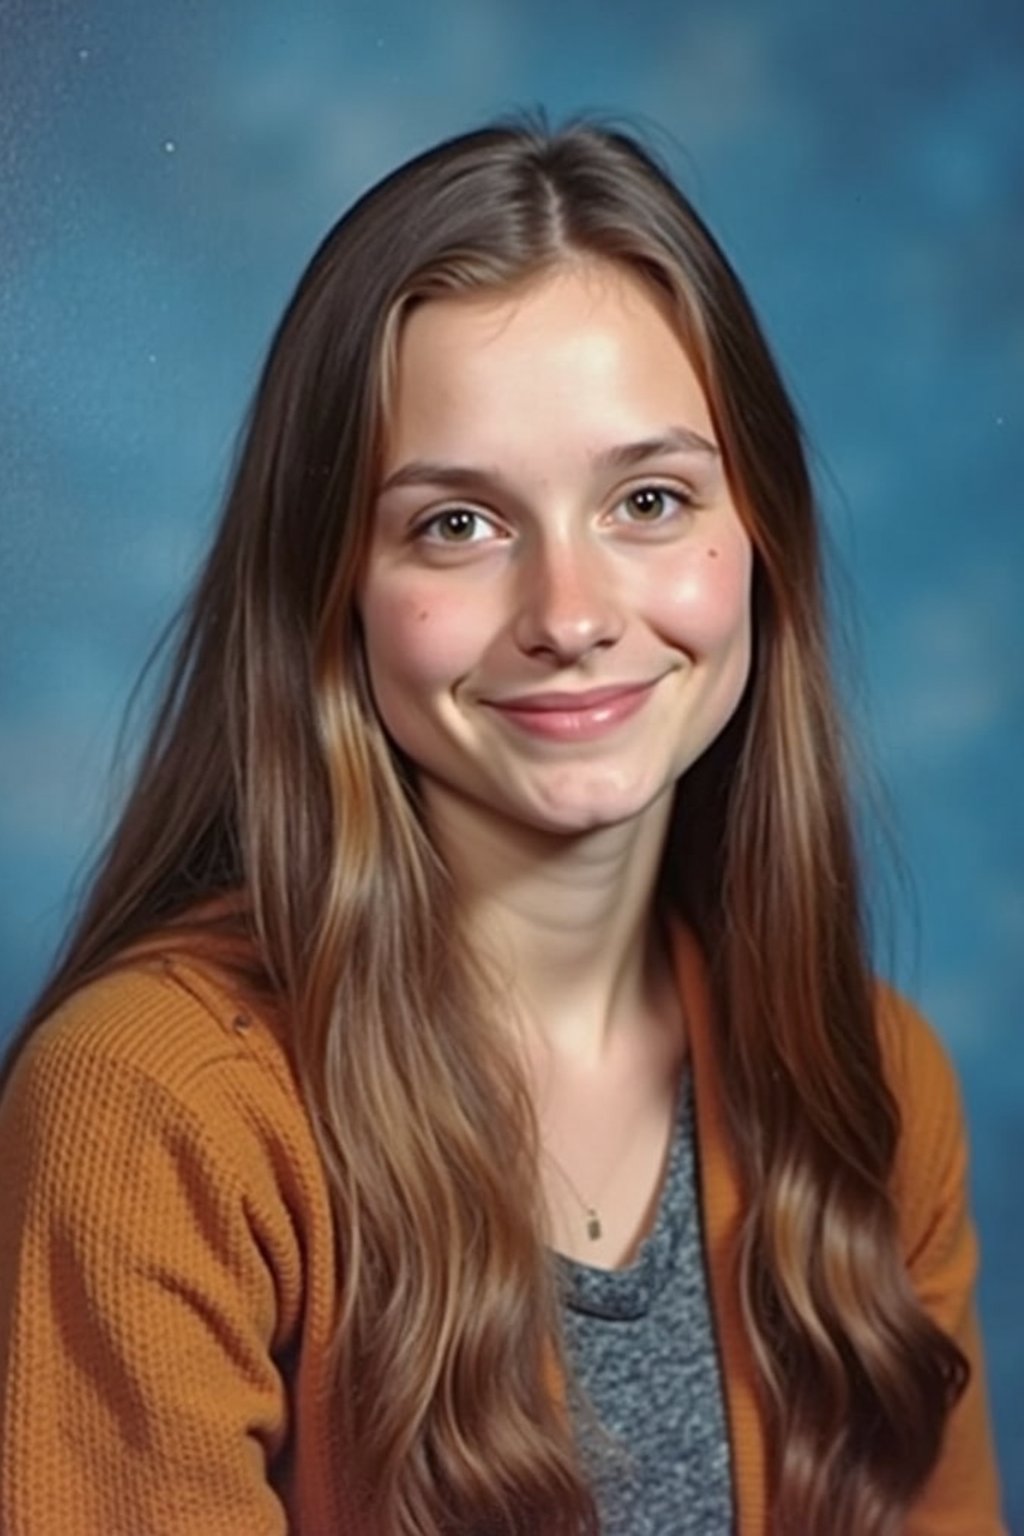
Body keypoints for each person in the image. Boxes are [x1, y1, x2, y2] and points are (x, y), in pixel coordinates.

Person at [0, 119, 1005, 1536]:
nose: (572, 616)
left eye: (649, 501)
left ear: (761, 537)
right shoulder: (155, 1112)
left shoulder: (873, 1081)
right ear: (328, 587)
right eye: (458, 526)